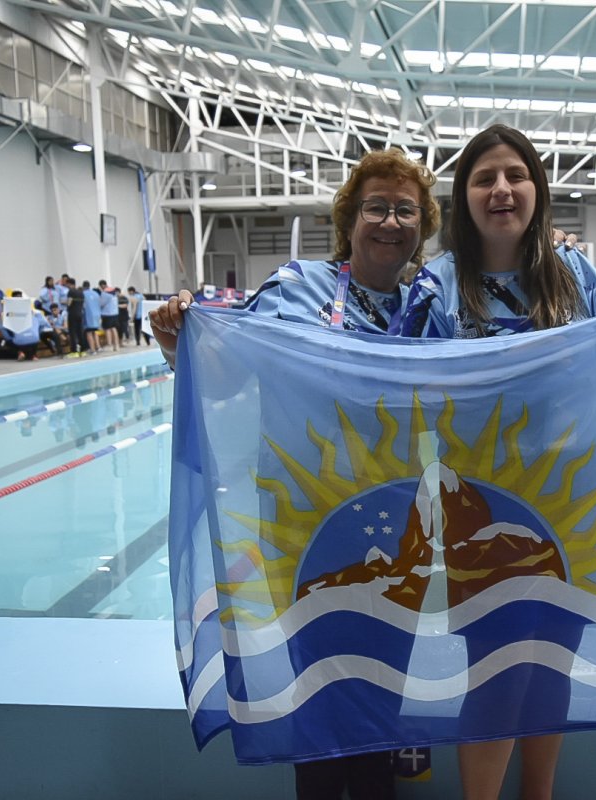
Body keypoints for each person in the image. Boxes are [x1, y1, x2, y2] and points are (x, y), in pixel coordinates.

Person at [394, 124, 596, 800]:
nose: (501, 189)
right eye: (484, 178)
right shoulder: (437, 287)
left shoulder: (574, 275)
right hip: (488, 509)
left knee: (553, 663)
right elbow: (390, 380)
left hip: (577, 504)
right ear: (464, 196)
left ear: (536, 188)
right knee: (494, 669)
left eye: (516, 175)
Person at [151, 147, 442, 800]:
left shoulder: (432, 307)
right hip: (303, 524)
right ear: (349, 219)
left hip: (398, 520)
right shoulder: (295, 288)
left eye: (406, 210)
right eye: (376, 207)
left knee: (384, 686)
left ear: (422, 226)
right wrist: (180, 342)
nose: (390, 222)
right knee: (313, 686)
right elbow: (225, 367)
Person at [63, 276, 86, 356]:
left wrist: (63, 302)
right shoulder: (81, 292)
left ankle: (74, 352)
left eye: (67, 284)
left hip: (72, 314)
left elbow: (69, 303)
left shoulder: (71, 292)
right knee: (80, 332)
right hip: (80, 314)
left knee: (72, 333)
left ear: (69, 284)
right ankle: (82, 351)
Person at [82, 280, 102, 355]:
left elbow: (83, 305)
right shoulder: (96, 294)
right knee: (95, 331)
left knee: (89, 332)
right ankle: (98, 347)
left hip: (89, 315)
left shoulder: (83, 294)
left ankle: (92, 350)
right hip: (97, 315)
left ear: (83, 287)